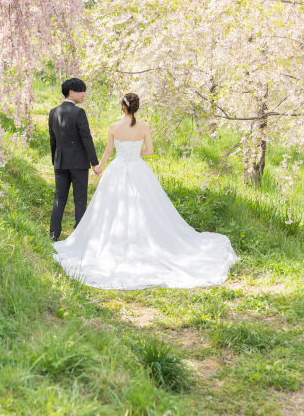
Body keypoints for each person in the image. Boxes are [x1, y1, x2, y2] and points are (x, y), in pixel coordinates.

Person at [53, 92, 238, 289]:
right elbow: (149, 151)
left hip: (116, 169)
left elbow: (108, 151)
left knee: (111, 208)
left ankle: (115, 240)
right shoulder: (144, 128)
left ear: (122, 107)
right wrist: (134, 153)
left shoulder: (114, 127)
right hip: (138, 168)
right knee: (146, 207)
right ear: (136, 107)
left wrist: (99, 167)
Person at [48, 78, 99, 241]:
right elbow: (86, 138)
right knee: (80, 198)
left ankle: (53, 234)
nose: (84, 94)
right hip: (78, 163)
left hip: (60, 161)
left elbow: (52, 139)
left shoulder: (53, 112)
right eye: (81, 91)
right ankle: (80, 236)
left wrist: (54, 160)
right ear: (72, 92)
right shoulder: (79, 112)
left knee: (59, 197)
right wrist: (95, 163)